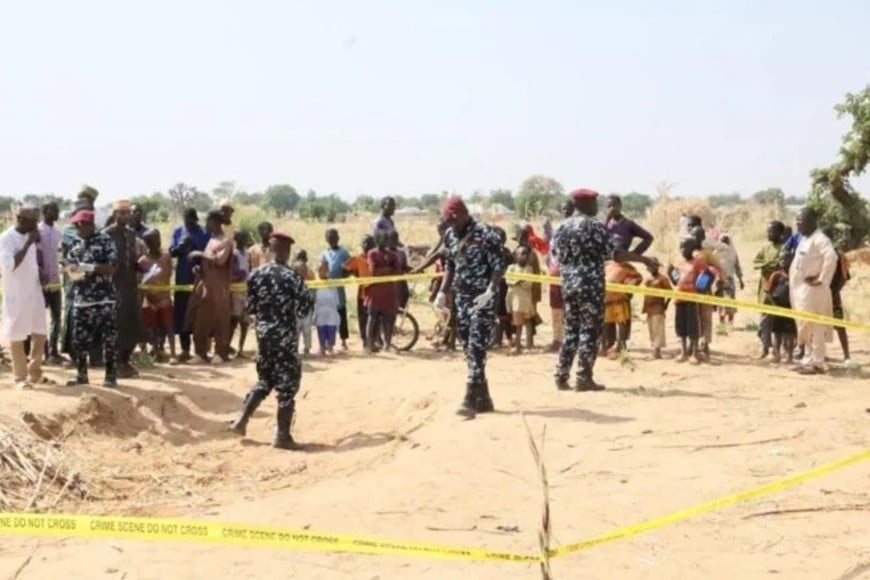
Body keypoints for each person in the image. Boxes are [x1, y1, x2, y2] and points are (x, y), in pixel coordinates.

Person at [551, 188, 656, 392]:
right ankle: (584, 377)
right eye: (594, 203)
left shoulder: (561, 228)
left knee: (571, 329)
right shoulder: (595, 226)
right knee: (590, 330)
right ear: (585, 204)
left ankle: (561, 375)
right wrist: (643, 259)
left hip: (569, 285)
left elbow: (555, 256)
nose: (597, 207)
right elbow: (615, 254)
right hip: (590, 285)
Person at [229, 232, 314, 450]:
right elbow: (305, 307)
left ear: (270, 249)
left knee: (264, 380)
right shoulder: (292, 276)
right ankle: (282, 436)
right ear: (285, 251)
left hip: (264, 335)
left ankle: (241, 420)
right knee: (287, 385)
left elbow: (251, 308)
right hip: (285, 335)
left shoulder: (256, 274)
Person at [436, 196, 507, 418]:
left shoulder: (487, 235)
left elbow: (499, 266)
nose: (451, 227)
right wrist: (442, 291)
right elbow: (449, 264)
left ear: (463, 216)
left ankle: (469, 399)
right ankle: (484, 397)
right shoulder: (449, 235)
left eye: (453, 222)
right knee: (467, 347)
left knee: (477, 345)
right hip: (461, 299)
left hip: (482, 300)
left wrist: (490, 291)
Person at [65, 210, 119, 387]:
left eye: (78, 225)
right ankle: (81, 375)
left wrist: (87, 268)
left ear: (87, 225)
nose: (76, 229)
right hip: (81, 299)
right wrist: (72, 270)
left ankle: (110, 376)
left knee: (109, 340)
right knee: (79, 340)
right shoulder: (75, 242)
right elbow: (70, 265)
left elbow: (112, 267)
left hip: (104, 299)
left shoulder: (105, 241)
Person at [0, 206, 48, 389]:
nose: (36, 224)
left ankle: (35, 373)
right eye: (33, 221)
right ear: (20, 219)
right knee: (16, 334)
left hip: (34, 290)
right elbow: (9, 265)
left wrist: (39, 271)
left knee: (40, 331)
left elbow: (29, 262)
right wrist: (28, 243)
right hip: (17, 294)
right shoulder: (7, 238)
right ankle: (20, 378)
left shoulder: (31, 236)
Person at [789, 208, 838, 375]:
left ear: (811, 222)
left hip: (813, 291)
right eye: (796, 222)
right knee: (805, 325)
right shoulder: (805, 239)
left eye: (800, 222)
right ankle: (807, 359)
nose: (798, 225)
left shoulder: (820, 239)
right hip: (801, 291)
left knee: (815, 326)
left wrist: (822, 279)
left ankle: (817, 362)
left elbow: (831, 257)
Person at [103, 200, 145, 378]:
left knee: (133, 325)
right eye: (121, 213)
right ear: (114, 215)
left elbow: (131, 258)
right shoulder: (106, 234)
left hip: (130, 286)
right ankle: (116, 364)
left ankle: (126, 361)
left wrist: (138, 266)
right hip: (115, 286)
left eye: (127, 213)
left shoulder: (131, 234)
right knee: (117, 326)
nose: (125, 216)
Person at [186, 210, 233, 364]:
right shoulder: (211, 240)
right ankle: (200, 353)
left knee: (221, 321)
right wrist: (200, 268)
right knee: (201, 320)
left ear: (216, 222)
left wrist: (199, 254)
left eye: (208, 222)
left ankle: (220, 353)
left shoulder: (226, 241)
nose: (206, 225)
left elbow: (220, 261)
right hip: (206, 288)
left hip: (220, 289)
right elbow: (209, 262)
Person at [169, 208, 210, 362]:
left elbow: (208, 254)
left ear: (196, 219)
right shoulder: (178, 231)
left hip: (199, 279)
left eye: (191, 220)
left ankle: (201, 351)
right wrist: (181, 245)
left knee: (198, 314)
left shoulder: (204, 232)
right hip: (182, 278)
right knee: (182, 314)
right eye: (186, 220)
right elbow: (171, 252)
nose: (189, 223)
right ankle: (185, 350)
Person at [137, 228, 175, 362]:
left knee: (168, 325)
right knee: (152, 326)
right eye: (150, 242)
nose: (154, 244)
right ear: (146, 243)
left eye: (155, 240)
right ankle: (156, 352)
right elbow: (141, 279)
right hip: (149, 298)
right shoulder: (142, 261)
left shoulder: (166, 257)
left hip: (164, 296)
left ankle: (173, 354)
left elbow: (168, 274)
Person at [671, 238, 708, 364]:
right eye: (680, 247)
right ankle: (683, 352)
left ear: (692, 249)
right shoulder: (679, 263)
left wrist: (700, 290)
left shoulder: (699, 263)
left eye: (685, 247)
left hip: (692, 299)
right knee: (681, 326)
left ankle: (694, 352)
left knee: (693, 326)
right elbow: (675, 277)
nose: (682, 250)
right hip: (679, 298)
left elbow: (706, 277)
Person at [753, 221, 786, 358]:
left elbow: (781, 265)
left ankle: (776, 350)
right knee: (764, 322)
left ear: (780, 233)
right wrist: (768, 264)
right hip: (765, 290)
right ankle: (766, 348)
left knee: (777, 322)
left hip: (779, 290)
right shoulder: (764, 248)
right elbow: (756, 263)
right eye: (768, 231)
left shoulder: (784, 249)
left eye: (772, 231)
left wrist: (768, 266)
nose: (769, 234)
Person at [689, 225, 721, 359]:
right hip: (691, 292)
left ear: (702, 238)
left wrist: (717, 286)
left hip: (705, 291)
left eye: (698, 235)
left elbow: (718, 269)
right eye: (693, 235)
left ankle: (705, 344)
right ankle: (693, 345)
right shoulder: (687, 253)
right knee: (693, 319)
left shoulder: (707, 254)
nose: (695, 238)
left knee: (706, 318)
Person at [37, 202, 63, 364]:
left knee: (56, 317)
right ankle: (43, 350)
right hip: (41, 283)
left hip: (56, 281)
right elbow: (36, 256)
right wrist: (40, 273)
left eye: (57, 210)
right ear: (45, 212)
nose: (57, 212)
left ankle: (53, 351)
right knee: (41, 318)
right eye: (53, 210)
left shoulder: (57, 232)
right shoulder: (38, 231)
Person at [365, 230, 399, 353]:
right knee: (372, 318)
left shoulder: (392, 255)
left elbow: (397, 270)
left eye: (387, 239)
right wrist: (388, 269)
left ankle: (387, 344)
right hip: (375, 292)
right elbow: (373, 272)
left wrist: (384, 269)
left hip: (388, 291)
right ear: (377, 240)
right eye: (383, 239)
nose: (385, 241)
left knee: (387, 319)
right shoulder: (372, 253)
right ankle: (369, 345)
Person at [602, 258, 643, 356]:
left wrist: (629, 286)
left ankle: (621, 345)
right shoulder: (606, 265)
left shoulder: (627, 267)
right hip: (607, 299)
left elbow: (638, 278)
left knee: (622, 322)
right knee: (607, 323)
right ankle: (608, 345)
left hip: (620, 299)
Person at [319, 229, 351, 350]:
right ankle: (328, 341)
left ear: (338, 238)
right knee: (328, 314)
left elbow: (350, 267)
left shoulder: (344, 253)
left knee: (341, 312)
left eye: (334, 237)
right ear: (326, 240)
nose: (332, 240)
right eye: (329, 238)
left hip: (339, 288)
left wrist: (344, 275)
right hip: (327, 288)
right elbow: (322, 269)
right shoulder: (324, 253)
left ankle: (343, 340)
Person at [764, 249, 796, 364]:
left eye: (786, 258)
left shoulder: (795, 275)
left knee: (790, 333)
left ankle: (790, 356)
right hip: (777, 308)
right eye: (781, 258)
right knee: (777, 333)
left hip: (791, 308)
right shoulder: (776, 275)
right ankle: (777, 354)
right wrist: (774, 305)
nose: (783, 261)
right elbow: (768, 292)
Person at [343, 235, 375, 350]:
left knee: (375, 319)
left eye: (369, 243)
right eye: (364, 243)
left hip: (375, 294)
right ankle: (365, 342)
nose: (366, 245)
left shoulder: (376, 257)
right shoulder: (358, 258)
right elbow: (345, 268)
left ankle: (373, 341)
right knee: (363, 320)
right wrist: (353, 272)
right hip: (362, 294)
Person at [505, 246, 536, 353]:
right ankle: (517, 346)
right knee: (518, 324)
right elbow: (509, 281)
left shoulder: (529, 269)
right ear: (516, 256)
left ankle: (529, 344)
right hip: (515, 300)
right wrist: (518, 281)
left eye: (526, 254)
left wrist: (518, 281)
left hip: (526, 300)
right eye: (521, 254)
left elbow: (528, 283)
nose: (524, 256)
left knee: (528, 322)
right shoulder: (511, 268)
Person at [642, 261, 672, 359]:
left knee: (658, 328)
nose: (649, 269)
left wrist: (666, 304)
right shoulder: (648, 279)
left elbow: (670, 293)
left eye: (651, 267)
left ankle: (657, 351)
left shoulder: (662, 279)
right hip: (649, 307)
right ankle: (655, 350)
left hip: (658, 306)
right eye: (648, 267)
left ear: (656, 267)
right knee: (652, 328)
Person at [230, 230, 252, 357]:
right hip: (236, 291)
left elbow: (248, 269)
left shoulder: (247, 254)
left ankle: (240, 349)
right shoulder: (234, 254)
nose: (245, 240)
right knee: (233, 321)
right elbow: (231, 273)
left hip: (245, 290)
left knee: (245, 323)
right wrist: (238, 275)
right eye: (243, 237)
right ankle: (226, 346)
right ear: (237, 239)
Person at [714, 234, 744, 325]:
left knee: (731, 301)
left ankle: (730, 323)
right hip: (719, 281)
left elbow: (737, 267)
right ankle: (722, 323)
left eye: (725, 242)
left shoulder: (733, 254)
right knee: (720, 302)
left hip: (730, 280)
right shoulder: (715, 253)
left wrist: (740, 280)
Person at [293, 250, 315, 357]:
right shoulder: (292, 280)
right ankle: (295, 350)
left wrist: (312, 306)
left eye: (304, 270)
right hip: (296, 310)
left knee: (307, 331)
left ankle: (307, 349)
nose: (303, 272)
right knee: (295, 331)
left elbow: (313, 294)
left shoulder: (309, 279)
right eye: (300, 271)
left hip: (307, 309)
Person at [314, 282, 341, 356]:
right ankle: (322, 347)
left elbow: (336, 301)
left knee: (331, 329)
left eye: (324, 270)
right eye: (320, 271)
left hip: (331, 310)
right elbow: (315, 300)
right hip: (320, 310)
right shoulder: (316, 284)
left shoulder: (332, 285)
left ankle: (330, 347)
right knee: (321, 329)